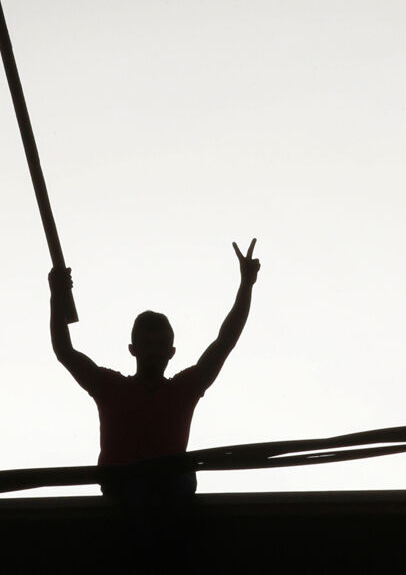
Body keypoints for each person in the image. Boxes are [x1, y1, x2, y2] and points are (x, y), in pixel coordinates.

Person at [49, 239, 261, 571]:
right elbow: (65, 351)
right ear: (133, 349)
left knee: (180, 479)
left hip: (169, 492)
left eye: (160, 345)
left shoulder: (184, 389)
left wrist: (246, 285)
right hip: (124, 492)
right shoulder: (110, 387)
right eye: (146, 344)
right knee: (141, 494)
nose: (153, 351)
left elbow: (225, 341)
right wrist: (56, 296)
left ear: (171, 352)